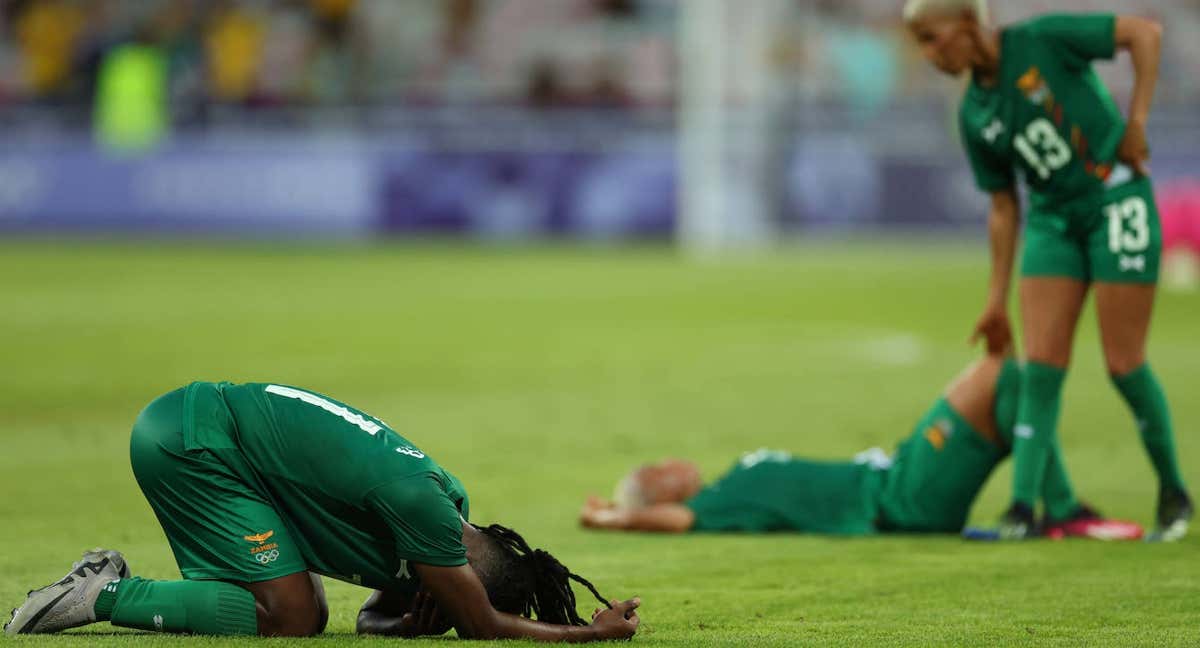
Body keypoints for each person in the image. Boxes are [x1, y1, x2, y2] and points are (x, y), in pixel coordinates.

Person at [6, 382, 640, 639]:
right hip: (194, 444)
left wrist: (415, 616)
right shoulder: (421, 509)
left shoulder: (448, 506)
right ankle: (104, 592)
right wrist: (591, 633)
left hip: (219, 439)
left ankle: (134, 590)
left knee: (308, 615)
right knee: (287, 616)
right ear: (457, 577)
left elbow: (372, 624)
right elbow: (482, 628)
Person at [902, 0, 1191, 540]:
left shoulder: (1044, 39)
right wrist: (994, 299)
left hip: (1114, 198)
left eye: (932, 38)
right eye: (921, 43)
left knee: (1123, 363)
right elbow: (1003, 207)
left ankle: (1174, 491)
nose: (928, 54)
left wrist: (1138, 122)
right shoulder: (973, 114)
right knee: (1041, 367)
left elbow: (1144, 35)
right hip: (1053, 220)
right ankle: (1021, 509)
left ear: (968, 24)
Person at [580, 352, 1141, 540]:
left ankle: (1055, 509)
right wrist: (613, 520)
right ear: (667, 490)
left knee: (1010, 382)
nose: (671, 462)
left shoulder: (732, 483)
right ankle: (1060, 511)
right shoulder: (718, 504)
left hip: (902, 473)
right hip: (902, 500)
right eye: (659, 470)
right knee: (999, 374)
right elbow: (675, 523)